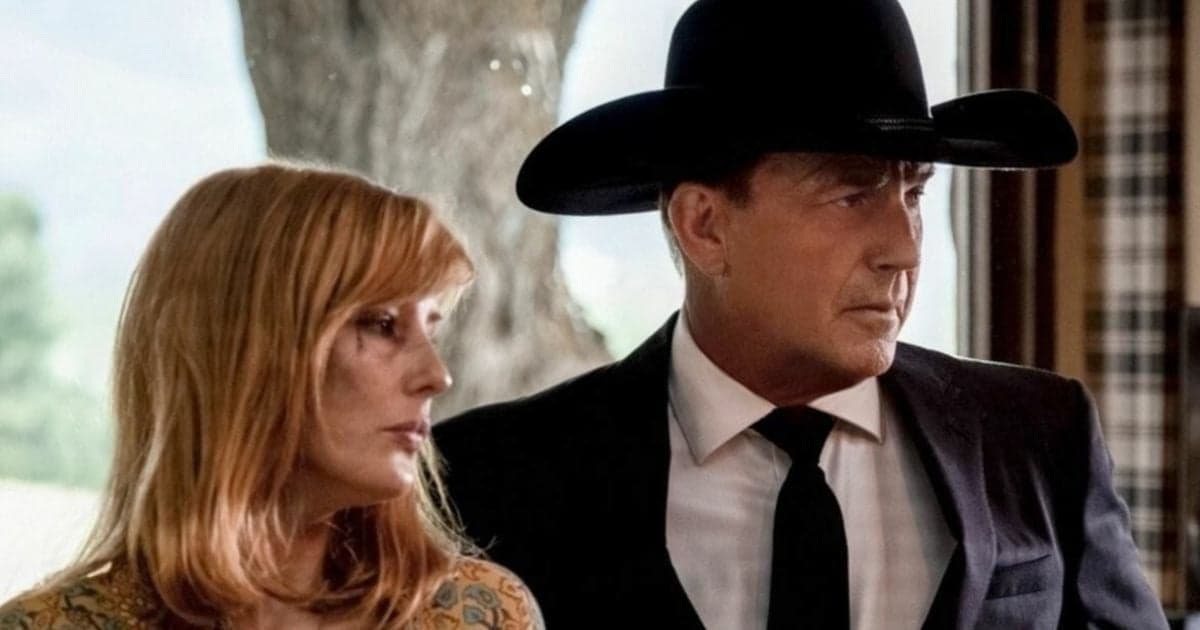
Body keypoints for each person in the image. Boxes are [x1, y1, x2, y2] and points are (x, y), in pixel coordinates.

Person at [434, 1, 1168, 628]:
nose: (905, 250)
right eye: (851, 195)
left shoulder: (1039, 438)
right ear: (705, 226)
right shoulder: (494, 479)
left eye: (913, 192)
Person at [0, 164, 541, 629]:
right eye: (381, 324)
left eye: (431, 330)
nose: (436, 376)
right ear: (247, 350)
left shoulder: (480, 615)